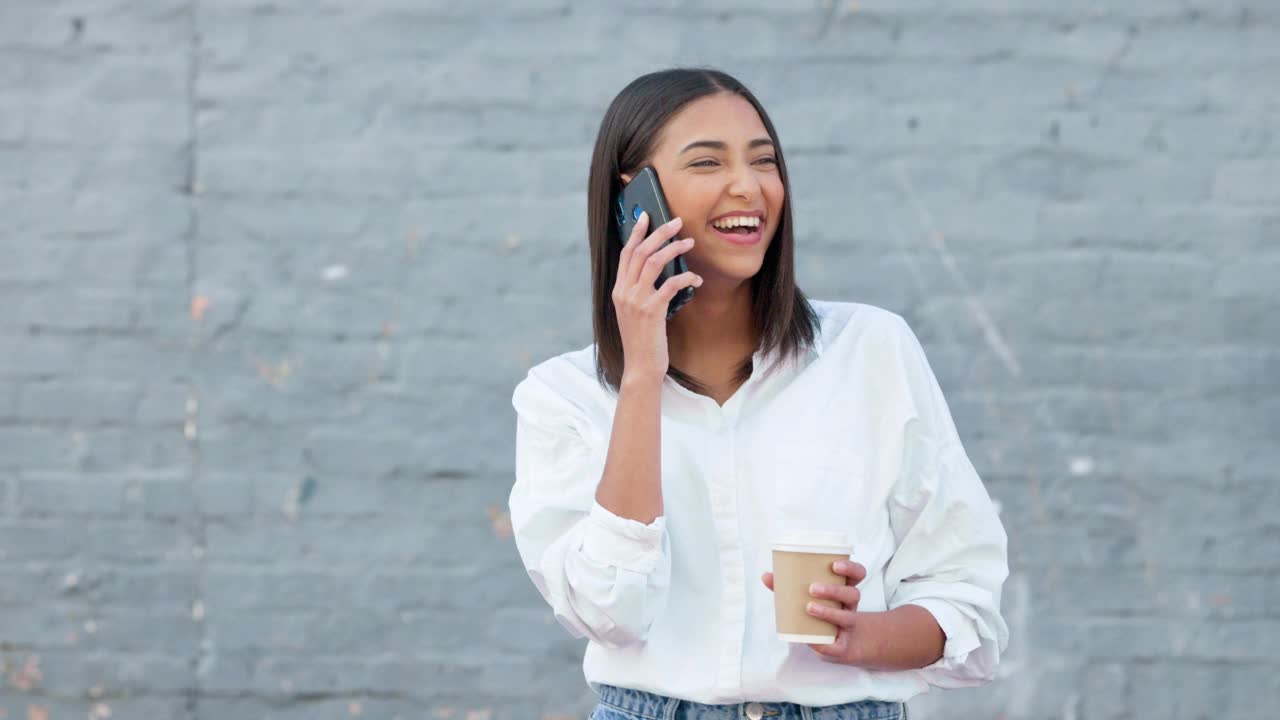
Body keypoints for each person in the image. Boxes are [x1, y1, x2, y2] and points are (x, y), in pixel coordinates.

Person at [508, 67, 1009, 720]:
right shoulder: (562, 397)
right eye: (708, 162)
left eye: (764, 161)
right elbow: (611, 613)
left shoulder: (871, 351)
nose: (749, 187)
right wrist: (640, 378)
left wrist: (866, 636)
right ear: (637, 199)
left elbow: (966, 596)